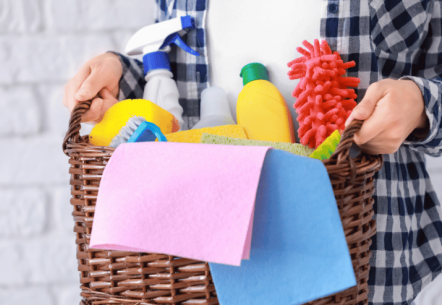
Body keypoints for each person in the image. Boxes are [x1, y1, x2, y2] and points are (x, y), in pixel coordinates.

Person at [63, 1, 442, 304]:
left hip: (355, 245)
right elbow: (172, 78)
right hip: (193, 262)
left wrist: (420, 104)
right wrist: (122, 75)